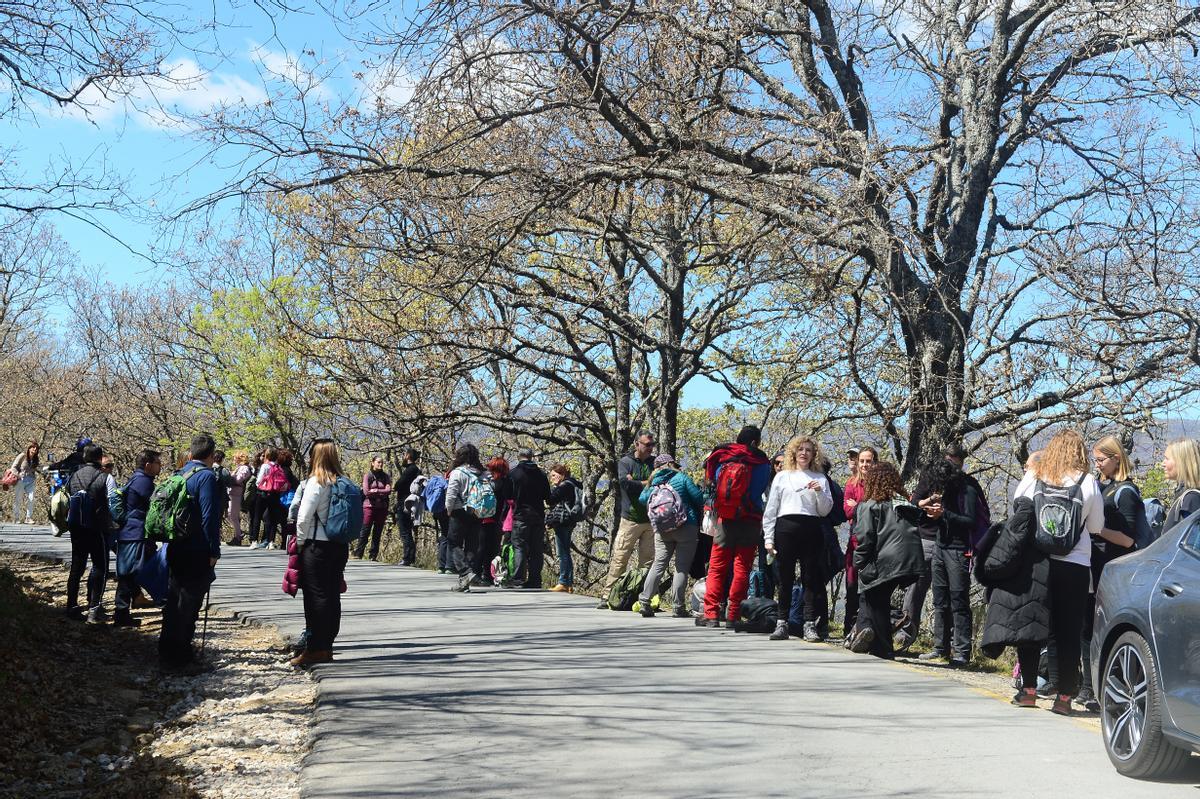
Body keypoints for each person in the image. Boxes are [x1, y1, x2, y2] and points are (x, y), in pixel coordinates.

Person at [1010, 429, 1103, 715]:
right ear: (1080, 452)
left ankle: (1028, 691)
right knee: (1068, 631)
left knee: (1032, 626)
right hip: (1074, 565)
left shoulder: (1036, 475)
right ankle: (1064, 697)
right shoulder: (1088, 482)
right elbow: (1097, 526)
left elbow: (1018, 505)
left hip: (1038, 561)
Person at [1076, 435, 1139, 710]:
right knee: (1086, 628)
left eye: (1101, 460)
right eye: (1095, 460)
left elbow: (1128, 539)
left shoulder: (1126, 492)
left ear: (1116, 458)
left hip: (1112, 571)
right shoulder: (1104, 487)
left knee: (1100, 629)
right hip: (1095, 566)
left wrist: (1097, 529)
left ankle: (1102, 691)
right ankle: (1087, 687)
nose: (1097, 465)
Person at [159, 434, 223, 672]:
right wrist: (213, 550)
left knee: (174, 599)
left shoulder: (179, 474)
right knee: (189, 603)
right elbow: (209, 517)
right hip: (196, 549)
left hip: (175, 546)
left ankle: (166, 651)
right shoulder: (206, 477)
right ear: (210, 455)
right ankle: (181, 657)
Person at [848, 461, 924, 658]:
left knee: (875, 598)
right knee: (874, 594)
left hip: (888, 558)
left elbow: (865, 537)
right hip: (912, 559)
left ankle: (881, 646)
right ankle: (864, 632)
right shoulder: (903, 504)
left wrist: (859, 562)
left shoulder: (869, 505)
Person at [698, 425, 771, 628]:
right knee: (742, 568)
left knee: (717, 567)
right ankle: (734, 615)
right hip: (751, 520)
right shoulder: (763, 463)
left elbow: (711, 485)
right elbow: (760, 491)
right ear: (755, 442)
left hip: (726, 519)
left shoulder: (723, 457)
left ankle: (711, 614)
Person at [763, 435, 834, 641]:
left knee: (810, 578)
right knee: (784, 577)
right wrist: (768, 538)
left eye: (808, 450)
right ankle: (782, 622)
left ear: (814, 455)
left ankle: (809, 623)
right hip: (786, 528)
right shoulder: (782, 476)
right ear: (794, 452)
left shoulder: (820, 478)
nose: (804, 453)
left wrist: (820, 492)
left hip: (811, 528)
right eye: (800, 449)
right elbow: (771, 510)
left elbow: (824, 510)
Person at [291, 438, 352, 667]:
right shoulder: (344, 482)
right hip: (339, 546)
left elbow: (304, 516)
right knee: (332, 595)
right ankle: (327, 645)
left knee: (315, 596)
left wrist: (299, 542)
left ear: (316, 457)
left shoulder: (317, 482)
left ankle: (316, 648)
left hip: (317, 546)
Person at [912, 458, 977, 667]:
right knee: (940, 599)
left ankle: (962, 651)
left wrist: (944, 514)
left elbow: (970, 521)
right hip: (940, 545)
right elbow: (942, 517)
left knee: (958, 600)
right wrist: (934, 515)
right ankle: (940, 648)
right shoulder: (945, 490)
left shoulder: (967, 490)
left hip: (959, 550)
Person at [636, 454, 703, 617]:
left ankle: (645, 601)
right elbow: (699, 498)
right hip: (686, 525)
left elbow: (642, 499)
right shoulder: (682, 478)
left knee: (658, 564)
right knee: (681, 567)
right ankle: (678, 607)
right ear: (670, 464)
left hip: (662, 528)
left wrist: (650, 485)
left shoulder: (654, 481)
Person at [599, 431, 657, 607]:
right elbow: (625, 484)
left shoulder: (654, 462)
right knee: (620, 558)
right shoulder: (626, 462)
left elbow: (659, 483)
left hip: (649, 520)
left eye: (652, 445)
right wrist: (647, 482)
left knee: (647, 563)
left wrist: (639, 482)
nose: (650, 448)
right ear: (637, 444)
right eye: (647, 444)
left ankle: (643, 598)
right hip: (630, 519)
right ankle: (607, 596)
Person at [113, 449, 162, 627]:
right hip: (135, 533)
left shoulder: (136, 478)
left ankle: (122, 613)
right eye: (157, 462)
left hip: (130, 532)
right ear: (148, 465)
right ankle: (121, 614)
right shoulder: (144, 482)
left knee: (131, 573)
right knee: (132, 573)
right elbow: (154, 508)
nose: (160, 466)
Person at [64, 443, 111, 623]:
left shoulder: (75, 475)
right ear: (100, 458)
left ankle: (72, 606)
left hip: (77, 527)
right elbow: (111, 501)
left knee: (77, 566)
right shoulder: (103, 476)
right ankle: (94, 609)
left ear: (84, 457)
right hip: (97, 527)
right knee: (100, 566)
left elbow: (67, 493)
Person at [841, 446, 876, 636]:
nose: (864, 464)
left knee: (869, 587)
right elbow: (847, 512)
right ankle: (849, 628)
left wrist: (859, 506)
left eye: (868, 461)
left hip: (876, 543)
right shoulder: (851, 484)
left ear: (874, 463)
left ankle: (867, 628)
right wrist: (866, 507)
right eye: (862, 461)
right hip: (855, 542)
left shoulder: (880, 484)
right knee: (852, 585)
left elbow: (881, 509)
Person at [445, 444, 486, 592]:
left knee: (454, 543)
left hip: (459, 511)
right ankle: (464, 582)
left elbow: (451, 493)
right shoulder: (483, 473)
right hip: (477, 512)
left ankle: (466, 572)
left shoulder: (458, 472)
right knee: (471, 545)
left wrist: (448, 509)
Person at [508, 448, 550, 589]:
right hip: (538, 516)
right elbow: (547, 496)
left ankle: (518, 579)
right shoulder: (542, 474)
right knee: (536, 549)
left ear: (519, 457)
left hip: (521, 515)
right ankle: (535, 580)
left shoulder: (514, 473)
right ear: (532, 457)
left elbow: (508, 495)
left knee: (519, 547)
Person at [475, 456, 511, 585]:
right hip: (496, 519)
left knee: (481, 547)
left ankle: (476, 574)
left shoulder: (483, 479)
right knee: (493, 548)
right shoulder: (505, 482)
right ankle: (488, 576)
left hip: (482, 517)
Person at [546, 463, 580, 592]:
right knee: (566, 550)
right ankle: (568, 582)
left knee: (562, 552)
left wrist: (555, 488)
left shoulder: (564, 486)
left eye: (554, 475)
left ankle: (564, 582)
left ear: (561, 475)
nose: (552, 478)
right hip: (570, 520)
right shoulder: (574, 484)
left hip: (562, 521)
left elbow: (551, 499)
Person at [357, 456, 392, 561]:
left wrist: (375, 491)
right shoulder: (368, 476)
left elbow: (389, 490)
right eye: (378, 462)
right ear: (372, 463)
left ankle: (373, 555)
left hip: (382, 508)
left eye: (381, 462)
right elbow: (366, 491)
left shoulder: (386, 476)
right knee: (365, 530)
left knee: (378, 531)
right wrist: (380, 492)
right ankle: (358, 553)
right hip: (369, 507)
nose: (380, 464)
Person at [1161, 438, 1200, 531]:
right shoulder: (1186, 494)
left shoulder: (1191, 499)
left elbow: (1191, 542)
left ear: (1181, 462)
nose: (1163, 463)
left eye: (1167, 459)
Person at [395, 449, 421, 565]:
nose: (403, 457)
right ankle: (411, 557)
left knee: (404, 531)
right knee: (408, 531)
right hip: (412, 504)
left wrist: (395, 486)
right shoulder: (417, 470)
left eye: (404, 455)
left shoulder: (410, 470)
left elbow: (398, 484)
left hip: (404, 503)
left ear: (408, 456)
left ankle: (407, 557)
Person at [9, 441, 39, 523]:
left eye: (36, 448)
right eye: (33, 447)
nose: (35, 449)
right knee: (18, 499)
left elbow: (35, 469)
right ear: (29, 448)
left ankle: (28, 518)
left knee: (31, 498)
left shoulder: (36, 459)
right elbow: (13, 467)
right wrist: (18, 475)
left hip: (31, 481)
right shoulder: (22, 456)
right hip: (21, 480)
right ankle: (16, 518)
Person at [227, 452, 253, 545]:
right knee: (231, 515)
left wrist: (229, 476)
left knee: (232, 514)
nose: (233, 460)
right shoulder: (239, 468)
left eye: (235, 458)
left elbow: (238, 479)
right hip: (233, 493)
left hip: (237, 494)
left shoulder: (244, 468)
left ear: (239, 458)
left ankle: (238, 536)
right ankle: (238, 534)